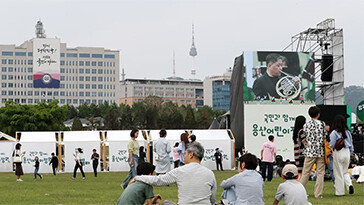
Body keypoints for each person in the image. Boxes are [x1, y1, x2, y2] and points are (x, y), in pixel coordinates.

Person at [135, 142, 217, 205]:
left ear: (191, 155)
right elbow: (212, 199)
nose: (184, 156)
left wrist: (138, 177)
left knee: (165, 203)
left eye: (185, 154)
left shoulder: (180, 171)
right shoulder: (210, 173)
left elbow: (159, 180)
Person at [300, 106, 326, 198]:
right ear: (318, 114)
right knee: (320, 173)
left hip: (309, 151)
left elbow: (305, 137)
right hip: (320, 151)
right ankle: (318, 194)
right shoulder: (322, 124)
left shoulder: (306, 125)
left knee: (305, 172)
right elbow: (324, 137)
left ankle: (300, 192)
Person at [329, 115, 354, 196]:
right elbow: (351, 144)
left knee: (338, 173)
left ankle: (340, 192)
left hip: (338, 152)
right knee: (345, 171)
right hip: (347, 152)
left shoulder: (334, 133)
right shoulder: (348, 132)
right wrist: (351, 152)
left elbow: (332, 144)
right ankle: (349, 184)